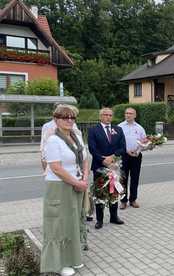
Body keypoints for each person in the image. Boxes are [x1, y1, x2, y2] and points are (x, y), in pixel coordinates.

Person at [40, 104, 89, 276]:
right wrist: (77, 183)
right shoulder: (53, 139)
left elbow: (85, 158)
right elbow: (56, 168)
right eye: (64, 117)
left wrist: (84, 179)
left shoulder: (76, 136)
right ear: (56, 119)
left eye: (72, 117)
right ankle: (57, 264)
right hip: (60, 187)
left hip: (76, 185)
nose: (69, 120)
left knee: (72, 224)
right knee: (58, 226)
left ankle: (71, 259)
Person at [88, 107, 126, 229]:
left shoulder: (118, 129)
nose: (108, 117)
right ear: (100, 116)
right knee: (100, 193)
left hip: (114, 166)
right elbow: (92, 149)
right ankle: (99, 220)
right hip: (99, 167)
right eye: (106, 115)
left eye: (110, 115)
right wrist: (103, 160)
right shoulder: (93, 130)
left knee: (113, 191)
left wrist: (113, 157)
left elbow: (122, 147)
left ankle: (114, 217)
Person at [118, 107, 146, 209]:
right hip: (124, 156)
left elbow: (144, 142)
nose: (128, 115)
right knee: (123, 179)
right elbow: (117, 143)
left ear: (135, 115)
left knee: (135, 178)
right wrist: (126, 150)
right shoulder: (119, 127)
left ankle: (133, 200)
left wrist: (138, 151)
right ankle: (123, 201)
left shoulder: (140, 128)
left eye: (130, 113)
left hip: (136, 156)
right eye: (126, 113)